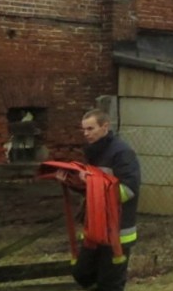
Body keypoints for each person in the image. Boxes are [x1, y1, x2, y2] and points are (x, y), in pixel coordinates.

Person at [56, 109, 141, 291]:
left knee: (109, 284)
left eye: (90, 129)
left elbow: (128, 190)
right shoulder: (94, 152)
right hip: (94, 229)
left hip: (117, 231)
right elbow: (90, 192)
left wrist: (94, 184)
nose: (86, 134)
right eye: (84, 130)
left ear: (105, 127)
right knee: (82, 274)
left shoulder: (122, 153)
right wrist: (72, 183)